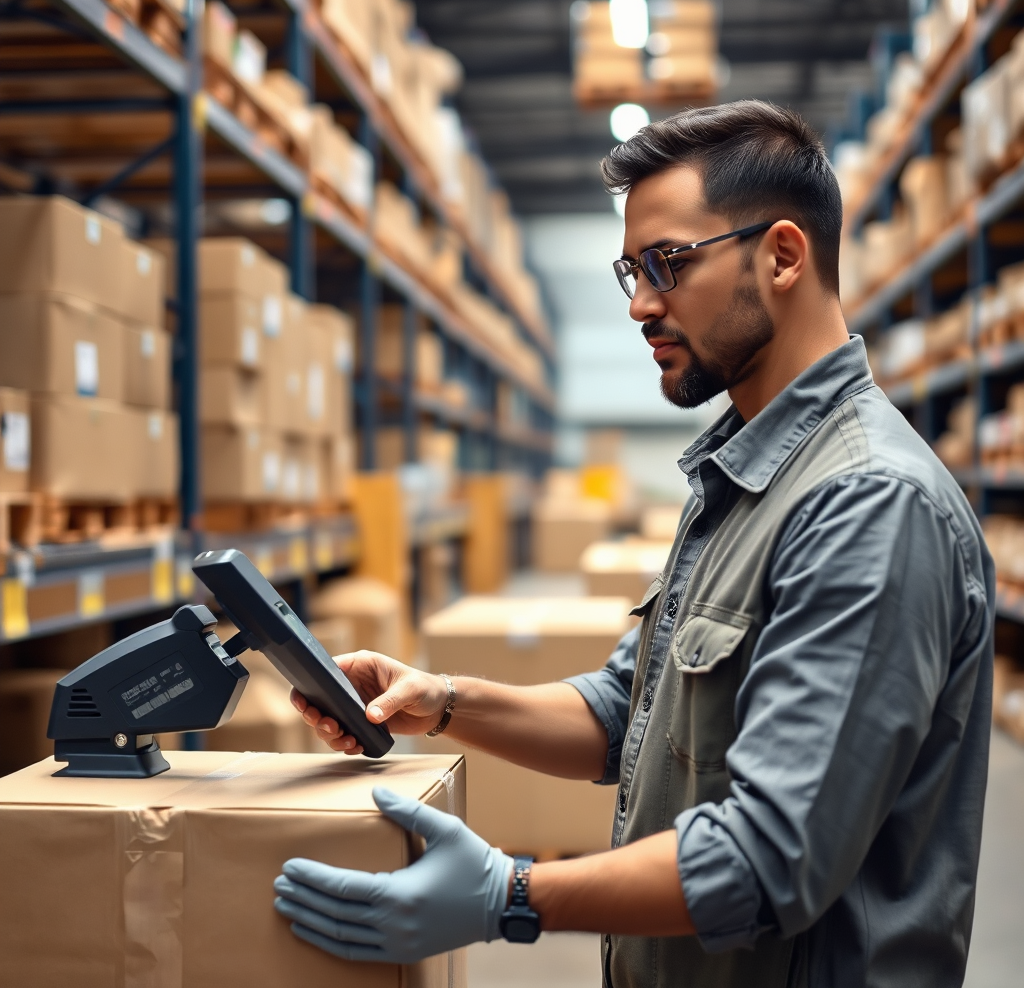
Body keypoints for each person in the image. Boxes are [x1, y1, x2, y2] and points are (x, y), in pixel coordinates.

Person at [272, 101, 995, 988]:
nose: (642, 304)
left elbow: (770, 856)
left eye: (668, 264)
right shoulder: (746, 474)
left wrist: (511, 894)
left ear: (782, 256)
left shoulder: (867, 505)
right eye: (631, 271)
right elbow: (631, 712)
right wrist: (444, 700)